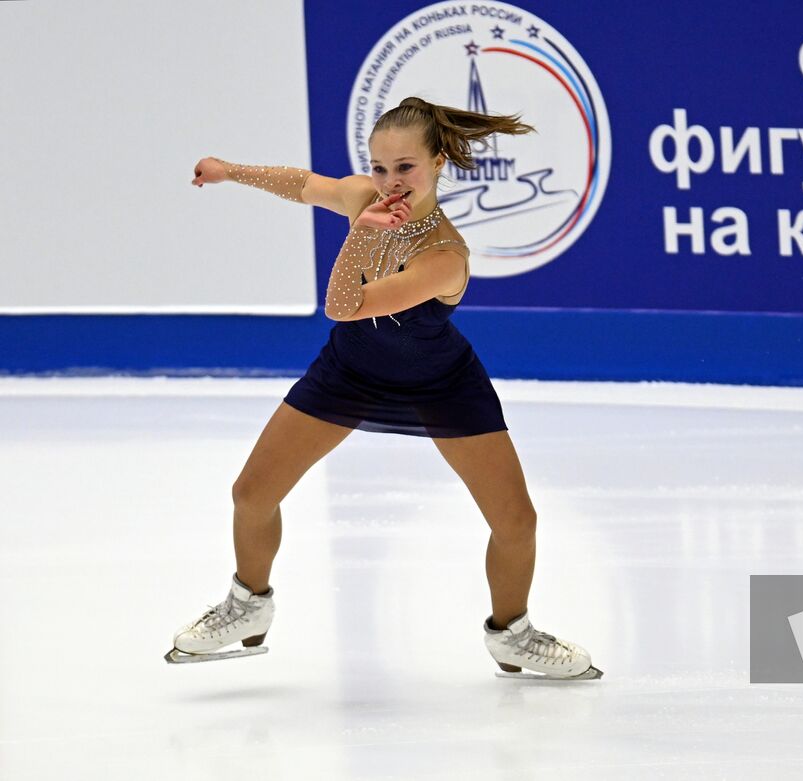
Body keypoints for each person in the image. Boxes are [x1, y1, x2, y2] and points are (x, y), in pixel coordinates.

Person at [163, 96, 601, 680]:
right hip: (350, 371)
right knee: (251, 493)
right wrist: (230, 170)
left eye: (406, 168)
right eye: (379, 168)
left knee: (517, 521)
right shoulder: (365, 199)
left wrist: (364, 237)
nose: (390, 183)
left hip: (441, 382)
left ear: (438, 162)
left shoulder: (446, 255)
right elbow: (303, 184)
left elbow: (344, 306)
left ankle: (513, 635)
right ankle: (248, 605)